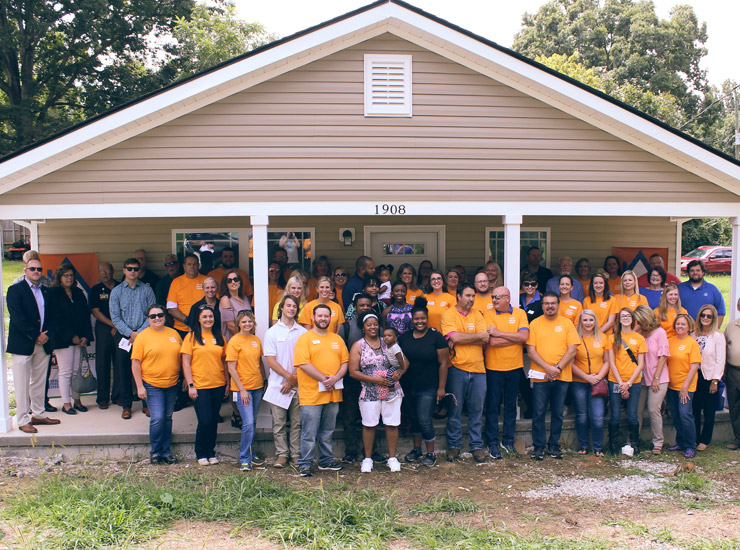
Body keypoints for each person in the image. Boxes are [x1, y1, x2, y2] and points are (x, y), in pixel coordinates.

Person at [294, 304, 349, 477]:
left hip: (333, 392)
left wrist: (335, 378)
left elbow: (345, 363)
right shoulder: (305, 339)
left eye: (326, 316)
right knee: (309, 432)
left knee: (327, 430)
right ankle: (305, 464)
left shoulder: (337, 339)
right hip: (312, 394)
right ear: (313, 317)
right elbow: (303, 364)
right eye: (320, 316)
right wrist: (324, 379)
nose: (323, 319)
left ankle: (325, 461)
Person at [349, 312, 408, 473]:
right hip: (370, 391)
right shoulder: (358, 346)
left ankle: (392, 458)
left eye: (375, 324)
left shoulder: (387, 341)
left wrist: (400, 372)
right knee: (369, 425)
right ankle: (367, 459)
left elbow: (405, 361)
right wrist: (376, 380)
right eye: (369, 324)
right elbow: (353, 371)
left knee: (392, 424)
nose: (373, 327)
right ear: (363, 327)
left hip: (391, 390)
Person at [7, 257, 59, 433]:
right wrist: (35, 335)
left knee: (39, 381)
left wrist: (46, 335)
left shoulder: (46, 291)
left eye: (39, 269)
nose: (36, 271)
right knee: (22, 383)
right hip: (22, 343)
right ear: (25, 271)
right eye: (32, 269)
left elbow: (52, 317)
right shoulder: (15, 290)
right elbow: (17, 317)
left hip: (43, 342)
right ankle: (22, 419)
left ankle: (38, 414)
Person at [441, 283, 489, 463]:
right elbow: (454, 337)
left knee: (477, 411)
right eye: (468, 296)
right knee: (455, 410)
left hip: (478, 370)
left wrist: (462, 337)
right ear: (458, 296)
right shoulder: (448, 315)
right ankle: (454, 446)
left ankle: (476, 446)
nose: (471, 299)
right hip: (457, 369)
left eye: (473, 296)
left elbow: (485, 338)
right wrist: (473, 336)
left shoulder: (478, 314)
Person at [527, 292, 578, 460]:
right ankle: (539, 446)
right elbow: (531, 351)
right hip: (540, 376)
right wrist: (548, 368)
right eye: (546, 303)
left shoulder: (567, 324)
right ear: (542, 306)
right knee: (539, 412)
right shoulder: (535, 324)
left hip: (561, 376)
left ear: (558, 305)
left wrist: (557, 368)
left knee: (557, 412)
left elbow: (572, 350)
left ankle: (554, 445)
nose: (550, 306)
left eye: (553, 303)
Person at [398, 297, 449, 467]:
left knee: (424, 419)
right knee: (413, 418)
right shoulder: (404, 338)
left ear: (427, 319)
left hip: (428, 386)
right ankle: (417, 449)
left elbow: (443, 364)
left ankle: (431, 453)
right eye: (416, 319)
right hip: (408, 385)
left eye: (422, 318)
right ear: (412, 320)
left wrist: (441, 388)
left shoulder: (436, 337)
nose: (420, 321)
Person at [131, 304, 182, 465]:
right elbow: (135, 363)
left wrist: (186, 378)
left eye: (160, 315)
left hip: (172, 383)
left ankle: (166, 452)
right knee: (158, 418)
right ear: (148, 319)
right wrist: (139, 386)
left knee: (167, 417)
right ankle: (155, 452)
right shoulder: (143, 337)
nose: (157, 318)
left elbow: (182, 358)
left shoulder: (174, 334)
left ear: (165, 316)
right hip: (152, 384)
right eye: (153, 316)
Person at [483, 286, 529, 459]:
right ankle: (492, 442)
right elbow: (492, 342)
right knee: (493, 407)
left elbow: (524, 338)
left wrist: (500, 333)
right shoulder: (488, 315)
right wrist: (513, 338)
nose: (494, 300)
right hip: (493, 368)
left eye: (498, 297)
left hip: (515, 367)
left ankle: (508, 441)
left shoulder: (519, 314)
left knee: (511, 406)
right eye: (493, 297)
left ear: (507, 298)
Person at [181, 305, 228, 465]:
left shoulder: (219, 336)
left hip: (218, 384)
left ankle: (211, 452)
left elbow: (225, 361)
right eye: (205, 317)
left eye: (210, 316)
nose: (208, 319)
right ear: (199, 319)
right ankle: (201, 452)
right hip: (200, 385)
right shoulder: (191, 337)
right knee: (205, 420)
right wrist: (191, 385)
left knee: (213, 420)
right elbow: (186, 363)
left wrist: (227, 383)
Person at [264, 295, 307, 468]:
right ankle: (282, 454)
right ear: (281, 308)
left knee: (297, 422)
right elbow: (270, 360)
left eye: (294, 306)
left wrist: (294, 378)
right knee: (279, 422)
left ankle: (295, 454)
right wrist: (288, 378)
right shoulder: (272, 332)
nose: (291, 309)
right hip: (277, 384)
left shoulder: (302, 333)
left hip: (298, 383)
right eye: (288, 306)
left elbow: (304, 358)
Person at [110, 257, 156, 419]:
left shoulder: (147, 290)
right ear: (124, 270)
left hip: (144, 336)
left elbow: (152, 314)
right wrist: (130, 333)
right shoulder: (116, 291)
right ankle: (127, 406)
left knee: (145, 371)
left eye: (135, 269)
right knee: (123, 372)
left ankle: (146, 404)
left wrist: (139, 334)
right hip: (124, 337)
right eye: (129, 268)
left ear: (139, 271)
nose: (132, 271)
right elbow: (115, 317)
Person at [49, 263, 94, 415]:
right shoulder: (53, 293)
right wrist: (71, 336)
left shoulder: (78, 293)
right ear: (60, 277)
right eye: (66, 275)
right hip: (63, 339)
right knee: (66, 372)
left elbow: (84, 317)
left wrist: (85, 336)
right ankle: (66, 404)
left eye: (71, 275)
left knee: (76, 372)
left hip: (80, 338)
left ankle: (77, 400)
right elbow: (55, 319)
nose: (69, 278)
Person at [226, 310, 266, 471]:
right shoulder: (234, 341)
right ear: (238, 324)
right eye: (244, 322)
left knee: (253, 422)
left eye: (249, 321)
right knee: (248, 423)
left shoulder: (256, 340)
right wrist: (242, 390)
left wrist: (264, 381)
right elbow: (231, 368)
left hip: (257, 387)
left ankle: (251, 452)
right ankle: (244, 458)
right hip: (242, 389)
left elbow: (260, 363)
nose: (247, 324)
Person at [337, 293, 374, 463]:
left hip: (373, 381)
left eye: (368, 305)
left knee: (371, 418)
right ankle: (351, 451)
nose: (365, 308)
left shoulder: (377, 327)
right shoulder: (345, 327)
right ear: (355, 307)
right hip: (350, 380)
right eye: (361, 305)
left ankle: (371, 451)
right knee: (350, 417)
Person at [570, 310, 610, 456]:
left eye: (591, 320)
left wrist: (598, 377)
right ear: (580, 322)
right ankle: (583, 446)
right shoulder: (575, 338)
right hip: (579, 381)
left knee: (598, 416)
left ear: (595, 322)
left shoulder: (603, 338)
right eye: (585, 320)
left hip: (597, 382)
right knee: (581, 415)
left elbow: (607, 361)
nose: (588, 323)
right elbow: (571, 363)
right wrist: (587, 378)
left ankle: (598, 447)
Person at [607, 307, 646, 455]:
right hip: (615, 380)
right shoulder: (612, 338)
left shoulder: (639, 338)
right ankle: (613, 446)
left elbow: (641, 364)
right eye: (622, 316)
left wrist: (628, 383)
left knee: (632, 414)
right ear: (619, 319)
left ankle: (635, 445)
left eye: (628, 316)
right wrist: (620, 383)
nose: (625, 318)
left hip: (634, 381)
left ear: (633, 318)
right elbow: (611, 362)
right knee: (615, 414)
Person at [633, 305, 670, 455]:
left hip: (658, 377)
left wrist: (656, 378)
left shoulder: (660, 332)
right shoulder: (640, 332)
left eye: (641, 321)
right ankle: (634, 440)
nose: (639, 324)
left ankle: (658, 442)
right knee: (637, 410)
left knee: (654, 409)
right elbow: (627, 337)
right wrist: (636, 329)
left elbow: (663, 357)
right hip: (641, 378)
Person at [666, 313, 702, 458]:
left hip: (686, 386)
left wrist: (685, 387)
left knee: (685, 415)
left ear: (689, 327)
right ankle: (680, 442)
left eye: (683, 324)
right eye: (678, 324)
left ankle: (690, 445)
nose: (679, 326)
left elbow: (694, 366)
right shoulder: (670, 340)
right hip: (671, 386)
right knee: (676, 416)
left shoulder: (692, 343)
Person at [692, 305, 726, 451]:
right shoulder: (694, 335)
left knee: (709, 410)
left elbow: (720, 360)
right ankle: (694, 438)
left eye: (709, 316)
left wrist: (715, 380)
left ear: (713, 319)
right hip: (694, 376)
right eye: (703, 315)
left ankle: (705, 440)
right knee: (695, 408)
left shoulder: (717, 336)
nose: (705, 318)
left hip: (709, 377)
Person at [90, 262, 117, 410]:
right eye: (101, 271)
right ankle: (102, 398)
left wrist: (118, 326)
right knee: (102, 364)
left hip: (121, 329)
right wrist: (112, 325)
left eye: (107, 270)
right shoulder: (95, 290)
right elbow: (96, 311)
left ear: (113, 271)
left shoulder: (121, 286)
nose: (104, 273)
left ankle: (118, 396)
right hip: (103, 328)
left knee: (120, 363)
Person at [518, 271, 542, 420]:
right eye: (526, 284)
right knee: (523, 380)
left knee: (534, 380)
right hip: (519, 348)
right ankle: (530, 406)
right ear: (522, 285)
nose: (530, 286)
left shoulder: (542, 301)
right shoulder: (517, 299)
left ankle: (535, 409)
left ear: (537, 285)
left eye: (533, 284)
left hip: (535, 348)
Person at [167, 254, 207, 336]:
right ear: (184, 266)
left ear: (198, 265)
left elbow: (214, 304)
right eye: (189, 264)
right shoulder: (176, 282)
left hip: (203, 327)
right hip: (181, 328)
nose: (192, 267)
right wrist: (188, 320)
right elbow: (171, 308)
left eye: (195, 264)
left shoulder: (207, 281)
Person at [678, 260, 726, 324]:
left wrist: (715, 330)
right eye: (692, 270)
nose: (695, 273)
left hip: (705, 330)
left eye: (698, 270)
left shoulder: (712, 289)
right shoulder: (679, 288)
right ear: (688, 272)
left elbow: (721, 311)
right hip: (684, 329)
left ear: (703, 272)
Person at [724, 298, 740, 451]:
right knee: (734, 406)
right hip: (733, 371)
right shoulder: (731, 326)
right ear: (738, 307)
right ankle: (738, 438)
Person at [219, 269, 251, 340]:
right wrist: (245, 338)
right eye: (229, 281)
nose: (233, 282)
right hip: (233, 341)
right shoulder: (225, 300)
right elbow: (231, 326)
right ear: (226, 284)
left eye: (235, 279)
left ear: (240, 281)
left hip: (247, 339)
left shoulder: (244, 297)